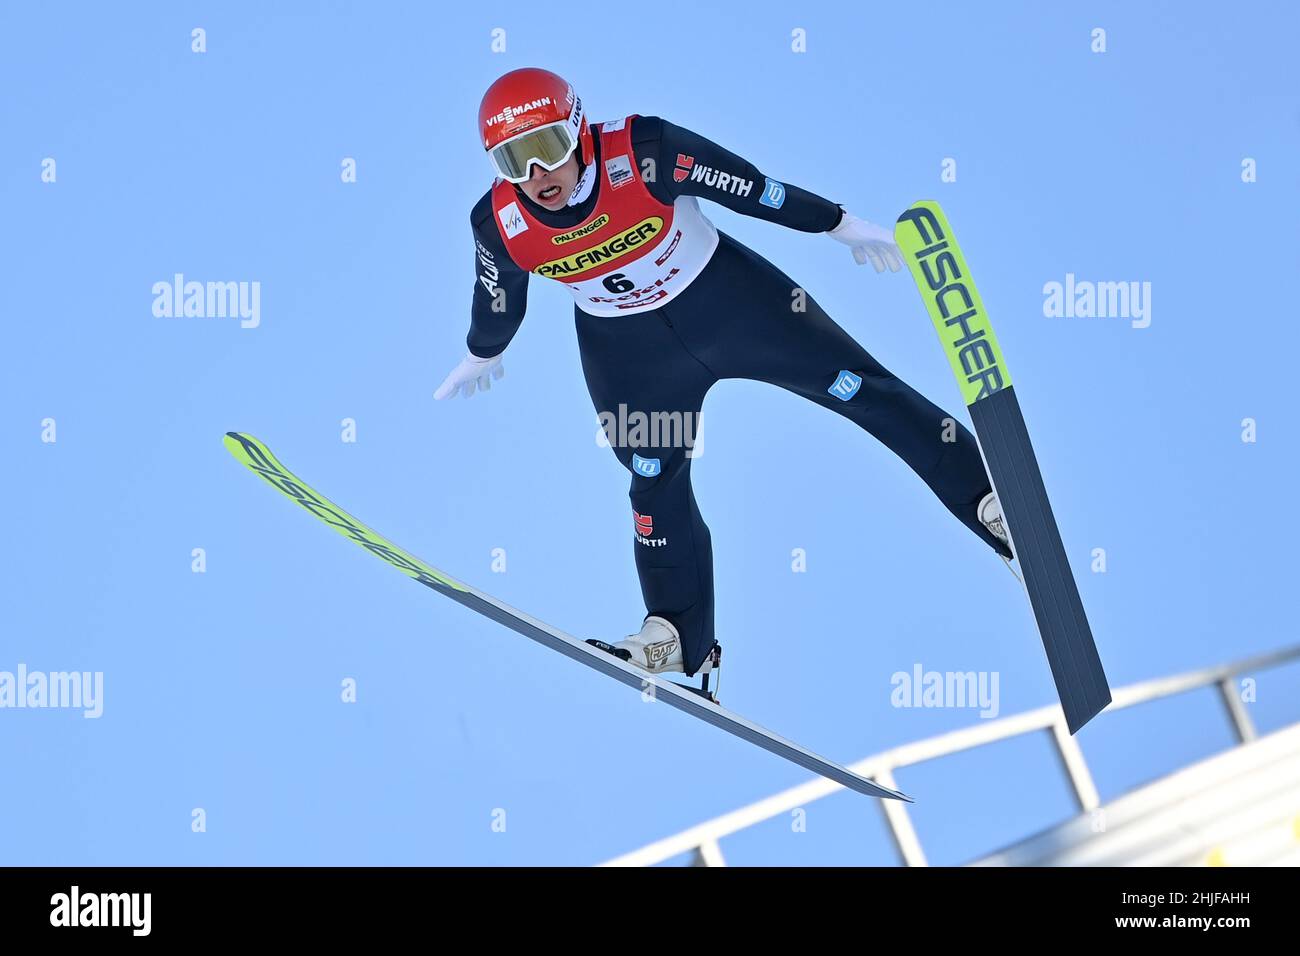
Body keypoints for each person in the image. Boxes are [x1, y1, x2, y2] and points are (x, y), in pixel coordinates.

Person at [436, 67, 1011, 681]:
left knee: (859, 389)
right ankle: (678, 636)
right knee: (652, 478)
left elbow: (754, 190)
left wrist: (837, 223)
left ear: (577, 130)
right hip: (630, 353)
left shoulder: (647, 151)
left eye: (545, 149)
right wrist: (482, 350)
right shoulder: (498, 222)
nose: (535, 177)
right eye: (512, 160)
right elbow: (499, 295)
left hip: (733, 306)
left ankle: (989, 503)